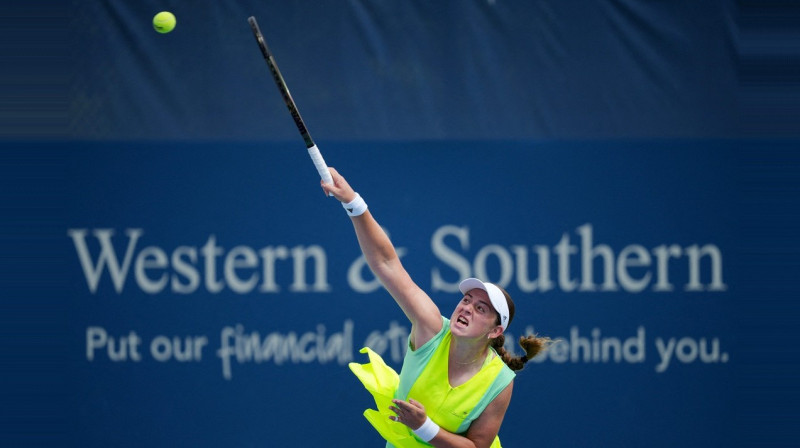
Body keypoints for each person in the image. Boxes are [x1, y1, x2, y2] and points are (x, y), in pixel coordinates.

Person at [322, 167, 551, 448]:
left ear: (495, 330)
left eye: (481, 309)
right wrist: (353, 203)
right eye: (467, 300)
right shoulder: (431, 327)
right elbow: (387, 264)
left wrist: (424, 427)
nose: (467, 308)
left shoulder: (500, 381)